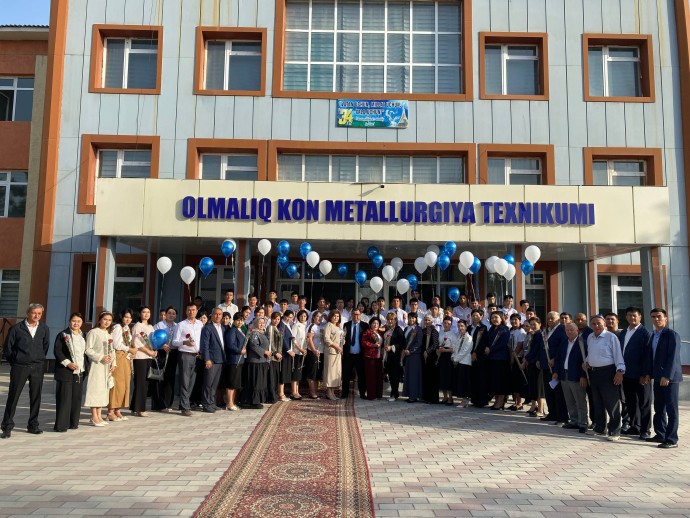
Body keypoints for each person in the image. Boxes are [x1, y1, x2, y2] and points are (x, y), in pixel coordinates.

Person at [1, 303, 50, 439]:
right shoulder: (16, 328)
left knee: (35, 396)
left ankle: (33, 425)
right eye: (34, 313)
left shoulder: (44, 328)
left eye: (39, 313)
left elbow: (45, 346)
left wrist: (39, 359)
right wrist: (16, 361)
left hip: (37, 367)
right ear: (28, 313)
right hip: (20, 366)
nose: (36, 316)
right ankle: (7, 426)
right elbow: (8, 348)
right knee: (13, 396)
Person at [645, 308, 683, 448]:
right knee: (659, 407)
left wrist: (667, 375)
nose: (656, 319)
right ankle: (660, 434)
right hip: (657, 376)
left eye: (659, 316)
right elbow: (651, 357)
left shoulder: (671, 335)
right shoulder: (653, 335)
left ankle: (672, 439)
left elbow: (673, 357)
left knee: (671, 409)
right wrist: (648, 373)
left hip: (669, 378)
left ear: (666, 318)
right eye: (653, 317)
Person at [585, 314, 625, 441]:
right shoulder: (590, 337)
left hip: (608, 372)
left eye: (599, 323)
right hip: (594, 373)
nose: (596, 326)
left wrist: (620, 371)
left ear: (604, 324)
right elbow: (591, 353)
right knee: (597, 402)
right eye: (594, 324)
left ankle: (615, 431)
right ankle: (600, 428)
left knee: (612, 403)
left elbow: (618, 355)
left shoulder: (611, 337)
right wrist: (586, 361)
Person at [618, 306, 652, 439]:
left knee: (644, 403)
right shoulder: (623, 332)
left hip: (641, 375)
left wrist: (645, 374)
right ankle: (635, 426)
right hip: (627, 374)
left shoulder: (645, 333)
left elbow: (648, 355)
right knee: (631, 402)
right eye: (629, 315)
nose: (632, 318)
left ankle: (645, 430)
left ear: (640, 317)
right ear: (626, 317)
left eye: (634, 315)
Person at [53, 312, 87, 433]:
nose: (76, 323)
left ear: (82, 323)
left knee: (76, 398)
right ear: (69, 322)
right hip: (65, 371)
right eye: (73, 321)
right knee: (64, 398)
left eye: (78, 321)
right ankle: (61, 425)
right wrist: (68, 363)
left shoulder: (84, 335)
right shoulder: (63, 335)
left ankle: (73, 423)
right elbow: (57, 351)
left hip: (79, 371)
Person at [554, 323, 589, 433]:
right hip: (564, 375)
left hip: (577, 376)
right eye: (567, 330)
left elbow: (585, 360)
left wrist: (583, 376)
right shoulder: (564, 342)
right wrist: (556, 372)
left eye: (572, 330)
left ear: (577, 331)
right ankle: (574, 421)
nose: (569, 332)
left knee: (580, 401)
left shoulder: (582, 343)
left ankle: (583, 423)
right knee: (569, 400)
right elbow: (558, 358)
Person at [84, 311, 115, 427]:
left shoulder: (109, 334)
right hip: (97, 365)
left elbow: (112, 350)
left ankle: (99, 415)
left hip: (107, 366)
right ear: (100, 320)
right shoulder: (93, 332)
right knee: (95, 389)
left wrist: (113, 364)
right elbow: (88, 349)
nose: (107, 322)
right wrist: (101, 357)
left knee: (103, 390)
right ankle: (94, 416)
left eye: (109, 320)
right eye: (105, 319)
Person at [172, 302, 204, 417]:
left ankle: (184, 403)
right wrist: (184, 342)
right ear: (186, 311)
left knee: (192, 382)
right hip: (185, 354)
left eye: (193, 310)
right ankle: (185, 407)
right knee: (185, 381)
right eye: (189, 310)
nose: (191, 312)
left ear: (197, 311)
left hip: (196, 355)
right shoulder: (181, 325)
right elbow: (174, 342)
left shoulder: (200, 324)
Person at [108, 309, 135, 421]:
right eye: (126, 317)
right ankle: (110, 411)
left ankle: (118, 409)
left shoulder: (127, 328)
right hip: (118, 357)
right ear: (121, 317)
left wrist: (131, 352)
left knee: (124, 384)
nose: (128, 319)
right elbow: (116, 344)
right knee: (117, 384)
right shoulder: (117, 327)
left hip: (126, 358)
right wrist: (129, 349)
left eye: (130, 317)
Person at [130, 306, 156, 417]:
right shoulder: (137, 326)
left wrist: (155, 350)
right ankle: (140, 409)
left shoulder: (150, 326)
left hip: (149, 357)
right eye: (144, 312)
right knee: (140, 383)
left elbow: (154, 340)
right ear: (140, 314)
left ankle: (135, 407)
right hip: (140, 357)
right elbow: (136, 342)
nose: (146, 314)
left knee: (145, 383)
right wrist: (148, 351)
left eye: (148, 312)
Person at [543, 311, 569, 423]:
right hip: (546, 365)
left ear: (558, 320)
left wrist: (555, 359)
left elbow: (562, 347)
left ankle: (562, 416)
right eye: (548, 318)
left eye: (552, 318)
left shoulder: (562, 329)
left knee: (558, 392)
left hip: (556, 365)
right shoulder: (547, 331)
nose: (549, 320)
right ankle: (552, 413)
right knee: (548, 391)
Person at [241, 317, 271, 409]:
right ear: (255, 323)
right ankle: (253, 401)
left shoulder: (262, 333)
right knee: (255, 382)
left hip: (262, 360)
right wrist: (265, 352)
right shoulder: (254, 333)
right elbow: (253, 345)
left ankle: (258, 400)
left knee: (260, 382)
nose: (262, 324)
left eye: (263, 323)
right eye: (260, 323)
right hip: (255, 361)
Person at [200, 308, 226, 413]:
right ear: (212, 315)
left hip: (220, 359)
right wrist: (207, 359)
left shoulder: (223, 328)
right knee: (208, 383)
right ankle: (206, 404)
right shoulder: (207, 328)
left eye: (220, 314)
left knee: (215, 384)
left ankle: (212, 402)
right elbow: (205, 345)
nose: (218, 316)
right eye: (216, 314)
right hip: (211, 359)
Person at [153, 306, 178, 412]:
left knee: (170, 378)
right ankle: (159, 404)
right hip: (161, 352)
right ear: (165, 314)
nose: (171, 315)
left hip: (173, 352)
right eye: (169, 313)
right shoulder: (159, 325)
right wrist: (162, 345)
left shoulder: (177, 326)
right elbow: (153, 338)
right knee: (159, 378)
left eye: (173, 313)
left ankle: (168, 403)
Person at [486, 312, 510, 410]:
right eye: (492, 318)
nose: (494, 319)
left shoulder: (504, 329)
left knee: (500, 381)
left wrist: (490, 349)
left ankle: (500, 402)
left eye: (496, 317)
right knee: (494, 381)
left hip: (501, 358)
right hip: (492, 358)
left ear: (501, 318)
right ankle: (496, 401)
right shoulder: (492, 329)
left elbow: (503, 344)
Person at [342, 308, 368, 399]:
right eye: (353, 314)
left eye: (357, 314)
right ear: (351, 315)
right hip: (348, 355)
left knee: (361, 375)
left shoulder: (365, 326)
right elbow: (343, 338)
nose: (355, 316)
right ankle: (344, 393)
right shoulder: (346, 325)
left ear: (360, 315)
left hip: (360, 355)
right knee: (346, 375)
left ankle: (362, 394)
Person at [523, 317, 546, 417]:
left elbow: (538, 349)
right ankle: (534, 406)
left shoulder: (541, 334)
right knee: (532, 385)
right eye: (531, 324)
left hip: (537, 363)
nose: (532, 326)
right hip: (531, 362)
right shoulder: (533, 334)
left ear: (539, 324)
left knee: (539, 386)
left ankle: (541, 409)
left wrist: (527, 358)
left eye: (534, 324)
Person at [223, 312, 246, 411]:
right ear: (234, 321)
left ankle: (233, 402)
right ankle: (229, 403)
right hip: (233, 360)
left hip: (240, 360)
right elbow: (230, 345)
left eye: (241, 320)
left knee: (235, 383)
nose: (240, 322)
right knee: (231, 383)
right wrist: (239, 350)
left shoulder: (240, 330)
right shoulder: (232, 331)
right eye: (238, 320)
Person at [468, 309, 489, 407]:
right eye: (473, 315)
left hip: (480, 356)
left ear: (481, 317)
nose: (475, 317)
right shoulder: (469, 328)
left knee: (481, 378)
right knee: (473, 377)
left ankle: (482, 400)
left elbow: (483, 342)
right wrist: (470, 353)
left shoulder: (483, 328)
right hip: (469, 355)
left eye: (477, 315)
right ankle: (474, 399)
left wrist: (475, 353)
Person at [402, 312, 423, 403]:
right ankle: (410, 394)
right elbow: (403, 340)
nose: (411, 319)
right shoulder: (406, 328)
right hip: (407, 355)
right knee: (408, 375)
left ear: (416, 319)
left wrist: (410, 351)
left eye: (413, 318)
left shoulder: (418, 329)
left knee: (414, 376)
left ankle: (414, 396)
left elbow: (418, 343)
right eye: (410, 318)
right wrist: (404, 349)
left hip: (414, 355)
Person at [383, 312, 404, 401]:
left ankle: (394, 394)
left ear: (395, 320)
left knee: (395, 376)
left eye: (392, 319)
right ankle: (393, 393)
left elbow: (401, 343)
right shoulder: (387, 330)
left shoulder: (398, 330)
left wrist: (391, 347)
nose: (390, 321)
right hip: (388, 356)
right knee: (391, 376)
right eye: (388, 319)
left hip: (396, 357)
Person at [323, 310, 344, 401]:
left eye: (338, 316)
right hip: (331, 351)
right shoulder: (329, 325)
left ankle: (332, 392)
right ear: (330, 316)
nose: (336, 318)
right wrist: (336, 346)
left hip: (338, 352)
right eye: (334, 316)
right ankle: (328, 392)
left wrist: (342, 342)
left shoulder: (338, 327)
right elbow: (326, 339)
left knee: (335, 372)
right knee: (330, 372)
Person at [508, 313, 528, 411]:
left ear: (520, 321)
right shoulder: (511, 331)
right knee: (513, 381)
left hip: (518, 359)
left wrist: (513, 357)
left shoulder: (522, 332)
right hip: (511, 357)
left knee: (518, 381)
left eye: (515, 319)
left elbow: (519, 345)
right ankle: (515, 402)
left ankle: (519, 403)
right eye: (512, 320)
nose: (513, 321)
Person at [362, 317, 384, 400]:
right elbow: (364, 343)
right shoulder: (367, 332)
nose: (375, 325)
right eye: (374, 323)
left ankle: (378, 395)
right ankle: (371, 395)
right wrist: (373, 345)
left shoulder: (380, 333)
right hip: (370, 357)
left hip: (379, 357)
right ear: (370, 324)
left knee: (378, 376)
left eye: (377, 323)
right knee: (371, 377)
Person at [451, 320, 472, 407]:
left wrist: (456, 359)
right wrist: (453, 357)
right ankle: (463, 400)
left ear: (466, 327)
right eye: (459, 326)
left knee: (464, 382)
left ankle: (465, 400)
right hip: (458, 362)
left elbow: (465, 351)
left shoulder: (469, 337)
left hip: (465, 362)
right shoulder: (459, 337)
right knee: (460, 382)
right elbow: (455, 348)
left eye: (462, 326)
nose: (460, 328)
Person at [266, 312, 286, 403]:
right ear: (271, 319)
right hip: (272, 357)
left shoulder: (277, 328)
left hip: (277, 357)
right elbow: (270, 343)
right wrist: (275, 353)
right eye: (275, 319)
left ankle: (274, 395)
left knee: (275, 377)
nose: (276, 321)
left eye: (278, 319)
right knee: (271, 377)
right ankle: (271, 396)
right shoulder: (270, 328)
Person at [437, 316, 458, 405]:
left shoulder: (453, 334)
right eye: (445, 323)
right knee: (442, 376)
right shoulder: (440, 332)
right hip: (441, 355)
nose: (446, 325)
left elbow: (455, 348)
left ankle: (450, 398)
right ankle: (445, 397)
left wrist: (445, 350)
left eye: (448, 324)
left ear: (451, 325)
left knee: (449, 377)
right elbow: (438, 344)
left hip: (449, 356)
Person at [305, 311, 324, 399]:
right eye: (318, 316)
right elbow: (309, 340)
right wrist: (314, 350)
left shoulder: (321, 326)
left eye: (321, 317)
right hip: (313, 352)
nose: (319, 318)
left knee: (317, 373)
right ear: (313, 317)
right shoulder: (311, 326)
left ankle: (315, 391)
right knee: (312, 373)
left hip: (321, 352)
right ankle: (312, 392)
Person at [289, 310, 308, 399]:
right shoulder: (296, 325)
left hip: (302, 352)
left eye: (304, 316)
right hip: (296, 352)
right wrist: (300, 349)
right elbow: (293, 339)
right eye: (301, 316)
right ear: (298, 317)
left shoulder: (306, 326)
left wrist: (305, 349)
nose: (303, 318)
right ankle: (293, 392)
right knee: (295, 371)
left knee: (299, 372)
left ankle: (297, 391)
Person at [422, 315, 440, 404]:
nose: (427, 322)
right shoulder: (423, 331)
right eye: (425, 320)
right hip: (424, 357)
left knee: (432, 378)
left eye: (429, 320)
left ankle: (433, 399)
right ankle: (426, 397)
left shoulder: (434, 331)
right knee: (426, 378)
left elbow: (435, 344)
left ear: (432, 322)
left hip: (432, 357)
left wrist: (427, 351)